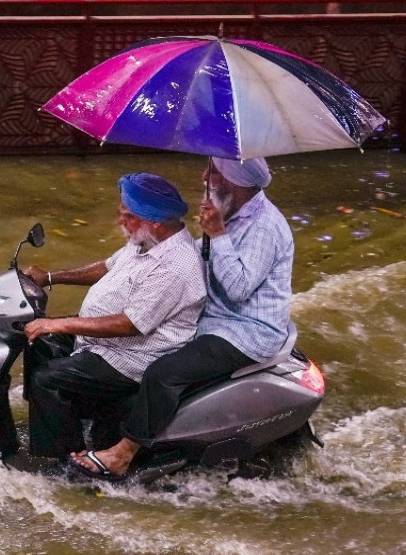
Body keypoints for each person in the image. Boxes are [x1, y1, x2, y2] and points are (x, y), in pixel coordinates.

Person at [71, 156, 294, 480]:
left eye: (214, 172)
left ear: (236, 180)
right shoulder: (230, 211)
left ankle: (123, 454)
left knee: (163, 373)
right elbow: (204, 263)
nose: (206, 176)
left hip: (245, 330)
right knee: (140, 351)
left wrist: (216, 234)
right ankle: (111, 426)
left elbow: (238, 289)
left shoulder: (264, 226)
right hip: (213, 317)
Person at [20, 173, 205, 459]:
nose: (121, 221)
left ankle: (63, 464)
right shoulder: (145, 238)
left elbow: (130, 324)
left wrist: (60, 322)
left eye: (127, 215)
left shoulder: (176, 265)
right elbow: (108, 266)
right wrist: (52, 277)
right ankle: (59, 424)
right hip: (105, 344)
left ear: (154, 220)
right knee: (39, 342)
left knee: (48, 379)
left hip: (134, 356)